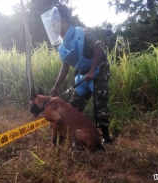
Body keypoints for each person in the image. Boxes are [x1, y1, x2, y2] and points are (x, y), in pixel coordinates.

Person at [41, 5, 112, 144]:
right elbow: (65, 67)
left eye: (54, 24)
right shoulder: (63, 44)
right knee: (73, 107)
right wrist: (56, 87)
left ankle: (107, 138)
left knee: (99, 106)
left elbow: (98, 48)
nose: (53, 28)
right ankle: (76, 139)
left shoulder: (82, 33)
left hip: (99, 70)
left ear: (62, 21)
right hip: (83, 75)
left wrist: (92, 70)